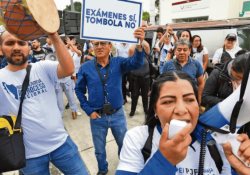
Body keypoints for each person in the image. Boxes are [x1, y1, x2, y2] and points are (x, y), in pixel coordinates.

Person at [116, 71, 250, 175]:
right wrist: (164, 160)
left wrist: (242, 170)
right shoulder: (137, 138)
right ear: (155, 110)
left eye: (189, 100)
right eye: (168, 101)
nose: (181, 110)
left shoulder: (219, 139)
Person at [0, 31, 88, 175]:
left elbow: (69, 69)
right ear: (1, 49)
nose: (16, 47)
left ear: (29, 47)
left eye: (21, 42)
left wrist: (54, 35)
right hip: (28, 156)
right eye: (10, 43)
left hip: (61, 144)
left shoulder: (42, 67)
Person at [75, 27, 145, 175]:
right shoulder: (85, 67)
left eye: (103, 43)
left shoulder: (119, 63)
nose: (99, 46)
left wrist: (139, 44)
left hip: (117, 115)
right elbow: (79, 91)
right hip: (97, 117)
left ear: (110, 46)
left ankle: (126, 167)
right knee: (99, 149)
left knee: (124, 144)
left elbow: (136, 63)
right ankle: (102, 169)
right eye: (96, 44)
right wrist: (89, 111)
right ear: (92, 48)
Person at [162, 39, 204, 104]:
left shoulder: (196, 64)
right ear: (175, 51)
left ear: (189, 51)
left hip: (189, 99)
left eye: (185, 50)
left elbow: (201, 83)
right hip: (172, 98)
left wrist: (199, 98)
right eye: (179, 50)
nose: (182, 52)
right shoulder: (168, 64)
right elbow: (162, 82)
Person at [128, 40, 150, 117]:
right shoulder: (133, 53)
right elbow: (130, 49)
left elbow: (147, 45)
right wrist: (136, 41)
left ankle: (146, 109)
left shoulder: (146, 52)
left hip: (145, 78)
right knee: (134, 95)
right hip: (135, 78)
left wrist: (141, 38)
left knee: (145, 95)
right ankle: (132, 110)